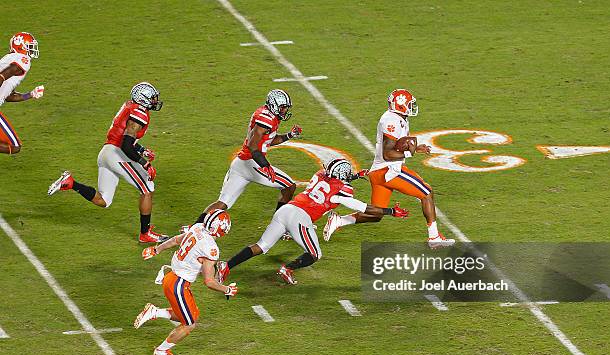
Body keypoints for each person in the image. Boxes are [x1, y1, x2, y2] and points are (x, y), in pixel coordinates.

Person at [216, 158, 409, 285]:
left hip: (285, 210)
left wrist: (355, 175)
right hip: (300, 218)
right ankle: (288, 268)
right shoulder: (342, 193)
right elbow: (365, 208)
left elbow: (333, 179)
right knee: (315, 253)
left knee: (262, 245)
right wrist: (391, 211)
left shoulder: (319, 175)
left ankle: (227, 265)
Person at [323, 89, 455, 249]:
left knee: (376, 214)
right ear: (400, 105)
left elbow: (396, 146)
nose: (412, 106)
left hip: (380, 172)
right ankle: (434, 237)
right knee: (426, 192)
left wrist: (416, 148)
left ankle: (339, 221)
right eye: (409, 104)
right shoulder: (391, 121)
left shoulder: (399, 118)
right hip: (389, 171)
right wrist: (409, 152)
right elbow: (388, 154)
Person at [47, 82, 168, 243]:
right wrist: (144, 163)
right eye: (152, 98)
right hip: (116, 154)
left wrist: (141, 149)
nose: (154, 101)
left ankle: (71, 183)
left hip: (105, 153)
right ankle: (145, 234)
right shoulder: (140, 113)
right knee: (147, 188)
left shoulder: (129, 106)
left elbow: (121, 135)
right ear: (143, 98)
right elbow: (125, 144)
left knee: (104, 201)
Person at [133, 209, 238, 355]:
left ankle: (154, 312)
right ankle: (161, 351)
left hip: (171, 278)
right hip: (178, 285)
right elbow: (209, 281)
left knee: (191, 314)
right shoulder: (212, 249)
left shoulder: (196, 228)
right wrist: (227, 289)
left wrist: (157, 249)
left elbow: (176, 240)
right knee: (189, 324)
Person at [193, 89, 301, 225]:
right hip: (252, 163)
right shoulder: (266, 120)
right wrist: (265, 165)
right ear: (274, 105)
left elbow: (268, 140)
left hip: (241, 164)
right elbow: (252, 146)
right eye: (283, 107)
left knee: (223, 203)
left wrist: (289, 135)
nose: (285, 110)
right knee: (289, 186)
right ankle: (280, 225)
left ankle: (194, 227)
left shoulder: (268, 116)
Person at [0, 32, 44, 155]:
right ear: (21, 46)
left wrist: (29, 94)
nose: (32, 49)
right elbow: (4, 75)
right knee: (14, 146)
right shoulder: (22, 59)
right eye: (29, 46)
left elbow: (8, 96)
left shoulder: (8, 58)